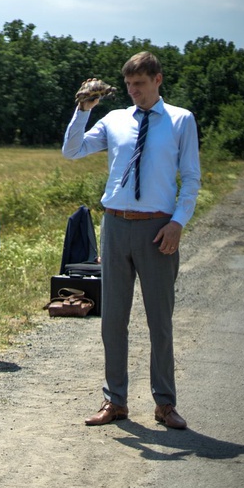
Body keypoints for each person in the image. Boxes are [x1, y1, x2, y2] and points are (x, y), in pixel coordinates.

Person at [62, 51, 201, 430]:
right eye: (128, 85)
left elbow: (190, 178)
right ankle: (115, 401)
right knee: (113, 321)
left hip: (158, 228)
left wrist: (178, 223)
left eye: (140, 84)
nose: (134, 91)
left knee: (160, 321)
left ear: (158, 79)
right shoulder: (115, 120)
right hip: (116, 226)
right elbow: (72, 150)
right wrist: (83, 109)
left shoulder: (180, 120)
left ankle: (165, 404)